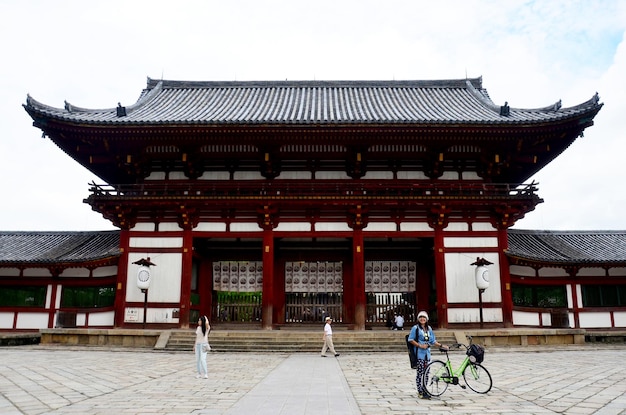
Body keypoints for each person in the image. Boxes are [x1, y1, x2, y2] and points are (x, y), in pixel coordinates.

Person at [408, 311, 447, 399]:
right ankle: (420, 391)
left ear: (426, 319)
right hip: (419, 354)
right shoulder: (415, 328)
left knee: (426, 373)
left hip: (427, 354)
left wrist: (441, 345)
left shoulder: (429, 328)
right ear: (418, 319)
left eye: (424, 317)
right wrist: (420, 345)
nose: (422, 319)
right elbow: (410, 339)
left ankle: (425, 390)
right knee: (420, 373)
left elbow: (433, 341)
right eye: (421, 317)